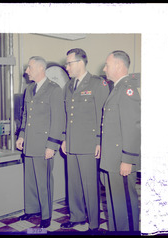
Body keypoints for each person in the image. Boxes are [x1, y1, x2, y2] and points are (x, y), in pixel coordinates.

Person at [60, 48, 109, 232]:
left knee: (89, 185)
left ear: (80, 62)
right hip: (72, 143)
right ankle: (77, 218)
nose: (66, 67)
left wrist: (99, 140)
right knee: (73, 184)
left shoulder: (97, 84)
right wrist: (64, 138)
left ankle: (94, 224)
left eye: (69, 63)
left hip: (89, 143)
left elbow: (103, 115)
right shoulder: (69, 86)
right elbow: (67, 115)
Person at [16, 56, 64, 228]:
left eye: (29, 67)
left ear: (40, 69)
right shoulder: (29, 89)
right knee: (29, 179)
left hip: (44, 144)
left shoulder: (54, 89)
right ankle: (31, 209)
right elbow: (25, 115)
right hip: (29, 142)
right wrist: (21, 135)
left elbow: (58, 120)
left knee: (44, 181)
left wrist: (52, 145)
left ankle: (46, 214)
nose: (26, 71)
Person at [100, 50, 141, 232]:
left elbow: (133, 126)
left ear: (118, 65)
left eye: (107, 64)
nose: (104, 68)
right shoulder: (117, 88)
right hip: (113, 159)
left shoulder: (127, 90)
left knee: (125, 202)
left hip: (121, 159)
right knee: (115, 203)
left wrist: (128, 159)